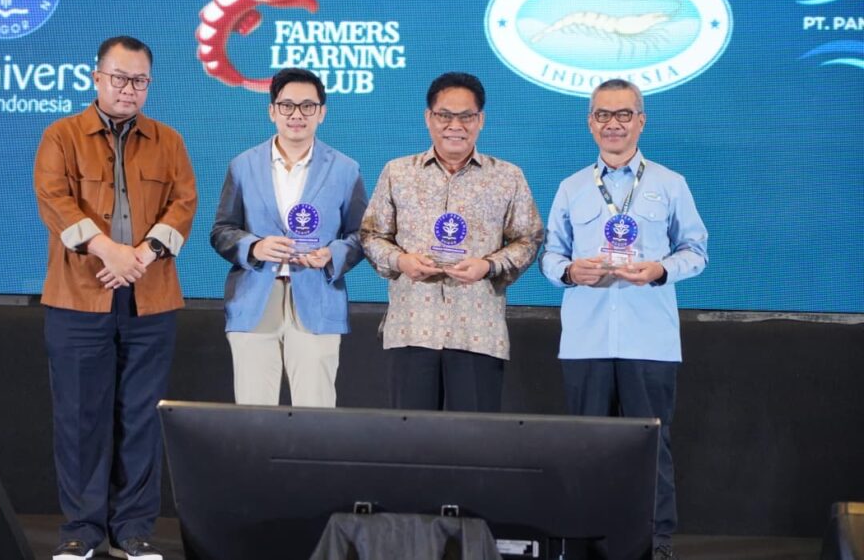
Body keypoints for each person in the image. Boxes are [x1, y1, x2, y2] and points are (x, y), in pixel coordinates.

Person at [34, 36, 197, 560]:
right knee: (81, 417)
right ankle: (81, 531)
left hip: (151, 301)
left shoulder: (168, 140)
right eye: (121, 78)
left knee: (141, 417)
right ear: (97, 78)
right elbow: (54, 201)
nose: (130, 89)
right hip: (78, 299)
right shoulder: (61, 135)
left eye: (140, 80)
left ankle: (134, 531)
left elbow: (183, 205)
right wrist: (109, 251)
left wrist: (140, 257)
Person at [540, 78, 708, 560]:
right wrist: (570, 271)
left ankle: (656, 543)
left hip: (650, 339)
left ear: (641, 121)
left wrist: (660, 270)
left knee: (652, 448)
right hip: (585, 340)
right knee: (586, 447)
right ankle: (584, 541)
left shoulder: (670, 184)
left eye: (623, 115)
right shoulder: (572, 187)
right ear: (590, 123)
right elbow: (550, 255)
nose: (613, 124)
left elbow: (696, 252)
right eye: (603, 115)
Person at [360, 72, 543, 412]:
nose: (455, 125)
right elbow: (371, 235)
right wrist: (401, 261)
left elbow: (528, 239)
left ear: (480, 120)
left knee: (475, 438)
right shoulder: (398, 172)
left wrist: (488, 266)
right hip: (413, 327)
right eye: (444, 115)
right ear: (428, 118)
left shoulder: (507, 176)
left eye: (466, 116)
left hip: (477, 331)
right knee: (411, 436)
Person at [210, 68, 367, 407]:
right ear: (272, 111)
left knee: (316, 414)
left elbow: (361, 235)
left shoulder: (345, 169)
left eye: (308, 106)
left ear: (322, 113)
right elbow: (222, 230)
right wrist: (255, 247)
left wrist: (332, 254)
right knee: (253, 414)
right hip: (254, 299)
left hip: (317, 299)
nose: (297, 114)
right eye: (287, 105)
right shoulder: (242, 165)